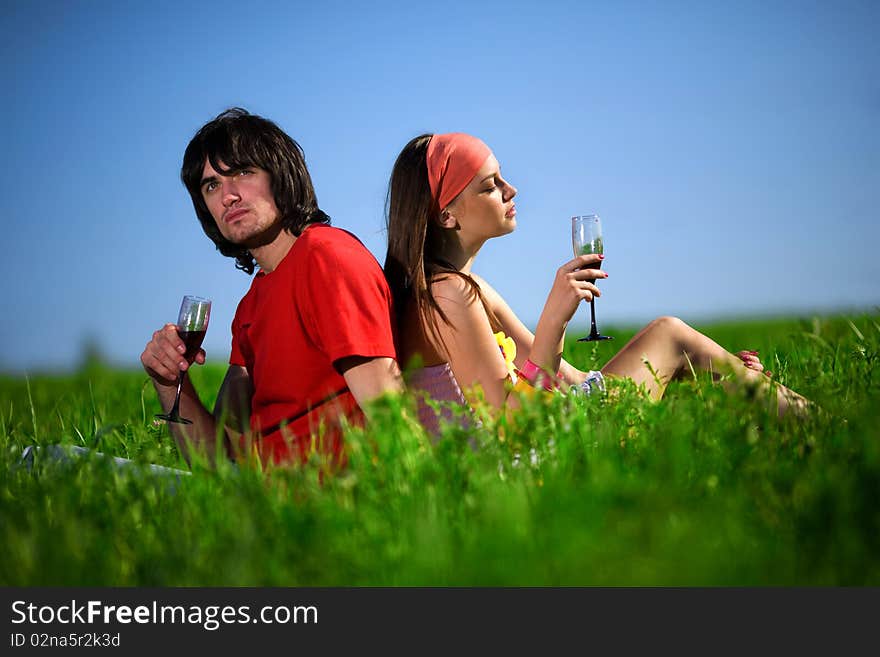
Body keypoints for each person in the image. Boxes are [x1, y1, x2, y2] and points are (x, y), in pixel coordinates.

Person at [383, 132, 808, 435]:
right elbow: (513, 425)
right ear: (447, 216)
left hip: (542, 433)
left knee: (673, 344)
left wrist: (704, 367)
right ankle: (829, 428)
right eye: (491, 186)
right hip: (526, 465)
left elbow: (566, 377)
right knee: (669, 334)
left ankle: (793, 415)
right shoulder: (450, 296)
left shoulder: (463, 287)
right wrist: (553, 323)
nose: (512, 190)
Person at [141, 108, 402, 467]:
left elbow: (391, 415)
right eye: (211, 185)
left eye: (243, 172)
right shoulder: (250, 307)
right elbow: (217, 462)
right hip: (261, 502)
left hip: (330, 505)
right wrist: (170, 383)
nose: (227, 196)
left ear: (280, 175)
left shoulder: (327, 259)